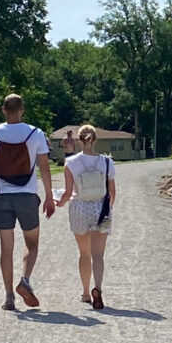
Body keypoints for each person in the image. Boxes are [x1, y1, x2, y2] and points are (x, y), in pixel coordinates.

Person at [0, 94, 56, 310]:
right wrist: (49, 196)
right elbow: (44, 166)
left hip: (2, 196)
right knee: (32, 243)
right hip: (27, 195)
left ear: (3, 110)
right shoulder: (35, 133)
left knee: (6, 249)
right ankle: (25, 281)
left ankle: (9, 296)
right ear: (22, 110)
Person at [56, 124, 117, 309]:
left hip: (80, 207)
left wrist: (60, 202)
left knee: (84, 254)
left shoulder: (71, 162)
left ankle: (85, 292)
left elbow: (68, 192)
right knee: (98, 255)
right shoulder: (107, 162)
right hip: (100, 208)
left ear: (79, 140)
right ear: (95, 139)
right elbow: (112, 192)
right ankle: (98, 288)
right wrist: (107, 210)